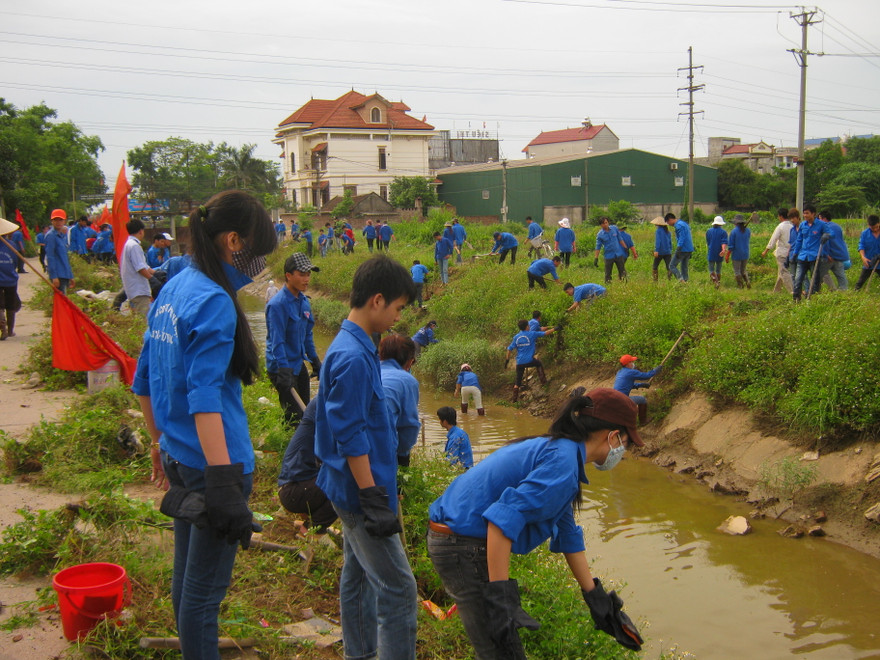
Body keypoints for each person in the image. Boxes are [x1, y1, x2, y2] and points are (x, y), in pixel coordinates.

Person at [133, 190, 277, 659]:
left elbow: (144, 378)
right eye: (257, 254)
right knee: (203, 596)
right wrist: (222, 483)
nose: (258, 267)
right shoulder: (214, 299)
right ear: (233, 240)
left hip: (179, 455)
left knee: (187, 582)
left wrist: (159, 443)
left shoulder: (174, 285)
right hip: (217, 464)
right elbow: (205, 396)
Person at [427, 389, 645, 660]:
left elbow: (567, 535)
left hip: (455, 539)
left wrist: (597, 600)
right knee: (502, 651)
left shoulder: (562, 452)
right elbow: (500, 522)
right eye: (626, 442)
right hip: (462, 546)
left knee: (499, 650)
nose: (623, 452)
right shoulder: (563, 464)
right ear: (612, 436)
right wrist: (500, 601)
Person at [313, 254, 418, 660]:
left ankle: (359, 654)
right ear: (377, 300)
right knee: (399, 588)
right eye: (398, 308)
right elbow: (350, 433)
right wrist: (372, 495)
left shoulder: (355, 346)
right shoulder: (355, 357)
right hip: (359, 491)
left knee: (357, 573)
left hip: (351, 486)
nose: (397, 317)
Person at [265, 252, 322, 426]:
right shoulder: (277, 305)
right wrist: (283, 370)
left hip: (298, 364)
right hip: (281, 367)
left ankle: (303, 449)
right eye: (302, 274)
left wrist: (315, 361)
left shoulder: (304, 302)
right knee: (294, 416)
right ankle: (290, 450)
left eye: (308, 274)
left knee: (307, 411)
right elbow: (277, 341)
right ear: (288, 276)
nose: (306, 279)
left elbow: (307, 335)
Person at [278, 399, 337, 532]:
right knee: (345, 484)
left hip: (297, 486)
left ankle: (311, 520)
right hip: (295, 490)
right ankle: (311, 530)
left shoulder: (325, 403)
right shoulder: (324, 405)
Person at [379, 334, 421, 467]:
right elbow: (409, 426)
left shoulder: (367, 369)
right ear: (409, 361)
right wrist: (402, 453)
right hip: (381, 449)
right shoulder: (406, 380)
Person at [506, 319, 555, 402]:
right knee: (538, 364)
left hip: (519, 362)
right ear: (527, 326)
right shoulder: (532, 334)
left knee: (517, 381)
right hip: (529, 360)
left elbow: (509, 349)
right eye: (528, 325)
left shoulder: (516, 337)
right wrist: (555, 329)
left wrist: (507, 359)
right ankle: (544, 383)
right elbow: (545, 333)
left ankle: (514, 400)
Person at [790, 204, 829, 301]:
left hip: (815, 256)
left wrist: (826, 236)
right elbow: (799, 240)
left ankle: (813, 298)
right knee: (798, 279)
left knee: (815, 280)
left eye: (807, 213)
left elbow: (830, 233)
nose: (805, 215)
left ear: (813, 214)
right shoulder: (803, 225)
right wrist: (795, 253)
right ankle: (796, 299)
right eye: (804, 213)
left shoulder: (821, 225)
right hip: (802, 256)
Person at [120, 218, 155, 317]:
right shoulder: (134, 246)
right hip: (139, 289)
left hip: (134, 289)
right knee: (144, 319)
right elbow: (140, 268)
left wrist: (155, 272)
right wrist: (152, 279)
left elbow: (144, 266)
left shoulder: (129, 244)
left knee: (139, 317)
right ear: (141, 231)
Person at [613, 354, 661, 424]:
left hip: (615, 398)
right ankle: (643, 421)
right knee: (642, 400)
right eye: (631, 362)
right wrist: (655, 371)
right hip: (622, 399)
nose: (633, 363)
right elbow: (646, 376)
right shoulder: (631, 372)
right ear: (628, 364)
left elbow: (627, 385)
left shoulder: (620, 372)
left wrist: (641, 385)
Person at [761, 208, 794, 294]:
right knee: (781, 272)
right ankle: (776, 291)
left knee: (784, 273)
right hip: (790, 252)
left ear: (780, 216)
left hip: (782, 253)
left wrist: (766, 251)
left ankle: (792, 291)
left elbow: (773, 239)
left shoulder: (781, 226)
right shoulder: (792, 226)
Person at [0, 217, 22, 340]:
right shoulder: (11, 245)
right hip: (10, 279)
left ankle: (2, 328)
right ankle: (10, 330)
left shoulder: (11, 244)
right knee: (10, 305)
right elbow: (15, 262)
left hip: (5, 279)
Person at [817, 211, 849, 291]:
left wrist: (826, 254)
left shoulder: (825, 227)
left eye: (819, 218)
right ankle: (844, 292)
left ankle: (813, 292)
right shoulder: (837, 226)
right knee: (841, 277)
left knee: (819, 276)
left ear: (823, 218)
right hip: (839, 255)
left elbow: (826, 242)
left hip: (830, 256)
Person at [45, 209, 74, 294]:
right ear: (52, 221)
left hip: (64, 274)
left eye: (60, 220)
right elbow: (50, 257)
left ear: (65, 221)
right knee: (60, 302)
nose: (58, 222)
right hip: (58, 275)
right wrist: (54, 276)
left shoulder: (62, 236)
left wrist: (70, 275)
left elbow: (64, 258)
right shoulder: (51, 236)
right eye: (55, 220)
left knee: (63, 301)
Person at [593, 217, 628, 283]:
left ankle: (624, 284)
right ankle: (608, 285)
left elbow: (620, 239)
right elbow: (598, 247)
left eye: (606, 222)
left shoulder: (614, 229)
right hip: (609, 256)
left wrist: (625, 248)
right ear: (601, 225)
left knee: (622, 271)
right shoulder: (600, 235)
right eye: (603, 223)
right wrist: (596, 258)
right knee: (608, 273)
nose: (605, 224)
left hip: (618, 254)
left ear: (608, 222)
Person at [855, 214, 880, 291]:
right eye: (873, 228)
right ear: (868, 225)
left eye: (876, 227)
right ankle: (855, 294)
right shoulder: (864, 233)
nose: (875, 229)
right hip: (869, 261)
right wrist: (863, 257)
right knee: (860, 282)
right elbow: (861, 246)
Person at [726, 214, 752, 289]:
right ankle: (748, 282)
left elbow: (731, 246)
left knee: (737, 271)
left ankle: (740, 285)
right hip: (745, 253)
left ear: (736, 223)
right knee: (743, 270)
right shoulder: (747, 231)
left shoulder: (733, 232)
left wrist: (727, 256)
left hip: (737, 254)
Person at [667, 213, 694, 282]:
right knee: (684, 266)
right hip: (689, 248)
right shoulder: (683, 223)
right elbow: (689, 235)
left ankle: (681, 280)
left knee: (672, 266)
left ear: (670, 219)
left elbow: (682, 238)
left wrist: (678, 248)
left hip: (682, 249)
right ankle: (685, 280)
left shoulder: (678, 226)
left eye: (668, 222)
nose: (668, 224)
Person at [705, 215, 728, 288]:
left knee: (711, 269)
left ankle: (715, 282)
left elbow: (708, 242)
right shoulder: (723, 232)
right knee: (718, 269)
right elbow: (723, 242)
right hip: (719, 253)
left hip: (711, 251)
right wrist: (723, 250)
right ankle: (718, 282)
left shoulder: (708, 231)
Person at [651, 216, 673, 281]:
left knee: (655, 266)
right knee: (669, 267)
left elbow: (658, 241)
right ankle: (669, 279)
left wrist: (656, 250)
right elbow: (670, 242)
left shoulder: (658, 231)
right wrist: (670, 249)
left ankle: (655, 281)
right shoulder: (668, 232)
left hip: (660, 251)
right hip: (668, 252)